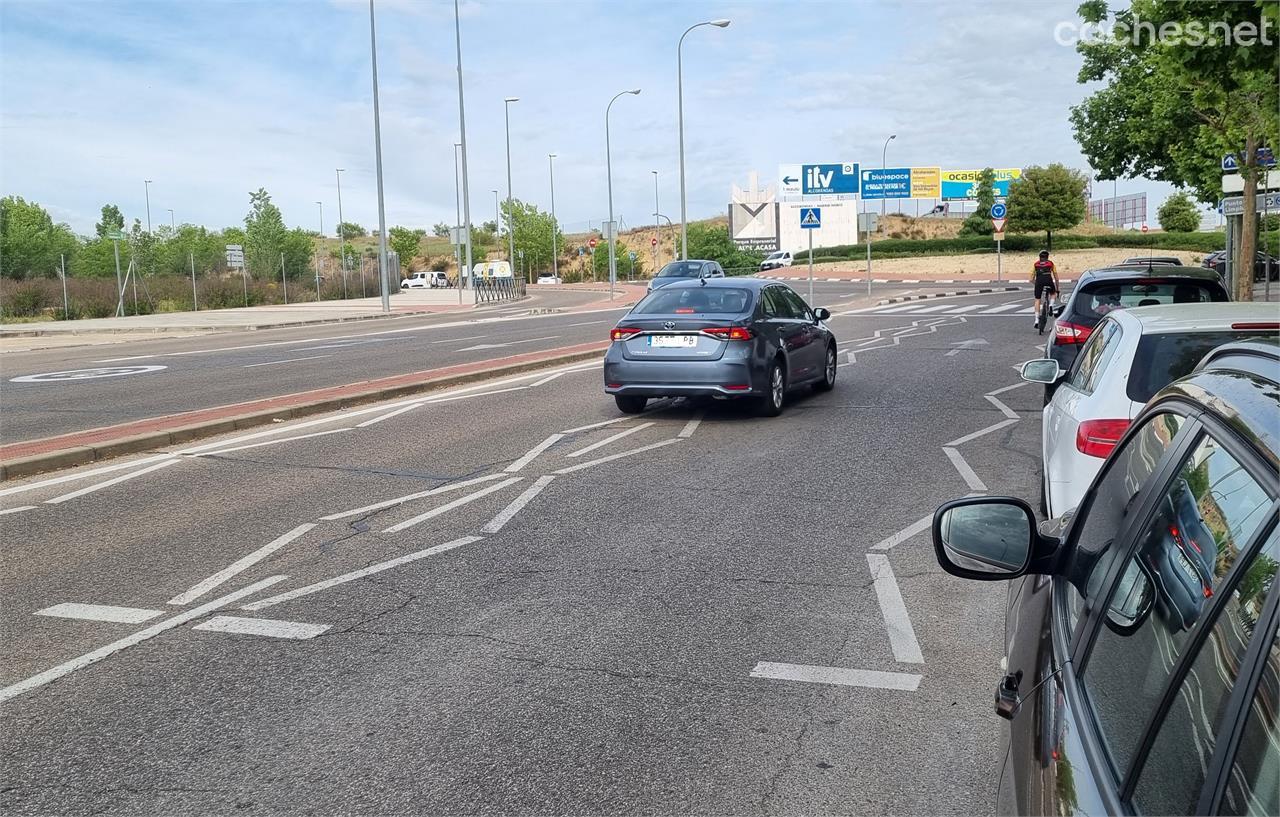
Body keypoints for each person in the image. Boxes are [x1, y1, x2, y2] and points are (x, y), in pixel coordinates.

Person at [1031, 250, 1060, 328]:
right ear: (1047, 257)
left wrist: (1036, 284)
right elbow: (1056, 278)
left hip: (1039, 282)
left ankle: (1036, 320)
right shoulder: (1051, 264)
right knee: (1053, 293)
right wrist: (1057, 289)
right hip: (1048, 281)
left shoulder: (1035, 264)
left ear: (1039, 257)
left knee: (1037, 299)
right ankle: (1051, 305)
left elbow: (1031, 279)